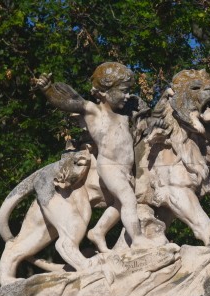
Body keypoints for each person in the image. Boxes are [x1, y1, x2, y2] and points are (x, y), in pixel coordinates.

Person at [33, 62, 151, 249]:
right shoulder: (93, 110)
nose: (128, 95)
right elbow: (67, 103)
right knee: (128, 200)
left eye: (129, 91)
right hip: (110, 167)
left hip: (126, 170)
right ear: (104, 91)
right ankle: (137, 239)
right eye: (123, 90)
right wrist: (47, 90)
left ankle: (98, 232)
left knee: (121, 205)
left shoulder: (123, 115)